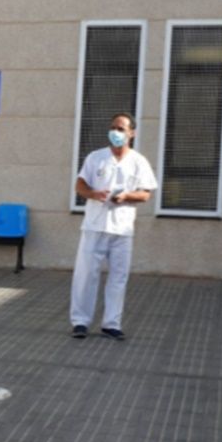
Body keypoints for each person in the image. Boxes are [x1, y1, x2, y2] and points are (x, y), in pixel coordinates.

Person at [70, 113, 158, 341]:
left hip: (122, 229)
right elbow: (79, 185)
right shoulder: (96, 157)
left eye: (121, 129)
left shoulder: (138, 161)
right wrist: (93, 193)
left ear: (132, 133)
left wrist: (127, 196)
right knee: (86, 275)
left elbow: (146, 193)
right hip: (94, 226)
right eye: (113, 128)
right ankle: (80, 321)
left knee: (118, 277)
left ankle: (111, 323)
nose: (116, 133)